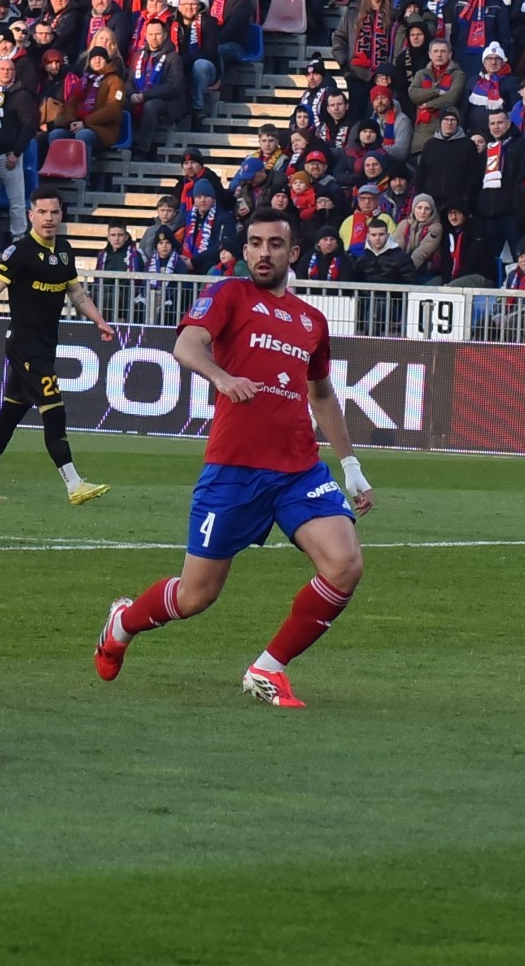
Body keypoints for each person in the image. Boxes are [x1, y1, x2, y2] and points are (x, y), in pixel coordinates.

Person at [92, 213, 375, 709]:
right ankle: (123, 623)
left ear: (293, 253)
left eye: (275, 244)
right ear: (245, 251)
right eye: (255, 243)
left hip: (299, 470)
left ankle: (268, 669)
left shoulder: (312, 321)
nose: (264, 252)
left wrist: (351, 466)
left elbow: (321, 393)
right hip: (234, 471)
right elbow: (186, 345)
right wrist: (222, 378)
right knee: (196, 596)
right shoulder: (228, 294)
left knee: (345, 564)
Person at [0, 188, 119, 504]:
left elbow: (76, 292)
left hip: (45, 347)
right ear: (31, 215)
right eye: (43, 212)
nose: (49, 218)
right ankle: (74, 484)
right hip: (25, 348)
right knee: (54, 410)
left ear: (61, 215)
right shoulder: (19, 252)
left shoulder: (64, 251)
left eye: (54, 212)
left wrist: (98, 320)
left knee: (10, 414)